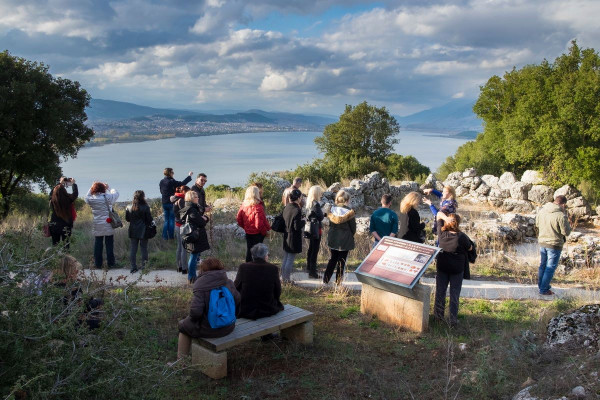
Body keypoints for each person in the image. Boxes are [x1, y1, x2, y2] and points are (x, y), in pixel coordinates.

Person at [176, 258, 240, 359]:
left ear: (202, 270)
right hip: (229, 326)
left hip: (210, 329)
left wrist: (190, 320)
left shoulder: (201, 286)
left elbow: (196, 313)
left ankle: (180, 362)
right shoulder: (228, 282)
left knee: (183, 327)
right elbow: (237, 299)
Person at [433, 213, 472, 327]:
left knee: (440, 292)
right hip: (457, 269)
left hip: (442, 267)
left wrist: (445, 218)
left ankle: (438, 317)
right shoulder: (462, 237)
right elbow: (470, 248)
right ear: (458, 223)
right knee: (454, 294)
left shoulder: (442, 234)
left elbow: (438, 214)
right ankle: (453, 320)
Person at [234, 243, 284, 319]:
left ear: (252, 255)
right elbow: (278, 290)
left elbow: (236, 286)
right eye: (267, 255)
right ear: (265, 256)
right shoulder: (273, 268)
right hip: (267, 308)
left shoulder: (243, 267)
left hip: (246, 309)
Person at [536, 195, 571, 296]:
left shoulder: (542, 211)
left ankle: (542, 286)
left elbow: (537, 224)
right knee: (550, 268)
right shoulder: (561, 215)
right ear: (563, 204)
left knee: (542, 265)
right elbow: (566, 232)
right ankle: (543, 289)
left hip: (542, 241)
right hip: (554, 244)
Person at [323, 190, 356, 284]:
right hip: (345, 239)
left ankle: (325, 280)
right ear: (347, 200)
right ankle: (338, 282)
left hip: (333, 237)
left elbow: (330, 223)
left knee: (332, 259)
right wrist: (350, 235)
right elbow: (353, 228)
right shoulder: (349, 212)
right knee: (342, 261)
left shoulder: (332, 210)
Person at [85, 182, 119, 268]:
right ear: (103, 189)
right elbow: (116, 194)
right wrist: (109, 187)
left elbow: (86, 197)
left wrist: (91, 186)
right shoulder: (107, 197)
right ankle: (111, 263)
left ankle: (98, 264)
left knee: (98, 244)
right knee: (109, 244)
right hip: (108, 223)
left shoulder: (91, 199)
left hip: (97, 224)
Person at [179, 191, 210, 284]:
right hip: (194, 235)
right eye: (196, 197)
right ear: (192, 198)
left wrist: (203, 218)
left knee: (194, 256)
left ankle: (192, 276)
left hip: (191, 234)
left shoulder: (187, 208)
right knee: (193, 256)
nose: (198, 198)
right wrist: (204, 219)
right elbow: (200, 222)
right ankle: (192, 277)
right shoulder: (192, 209)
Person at [237, 186, 271, 262]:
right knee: (259, 253)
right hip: (258, 234)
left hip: (248, 232)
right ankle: (257, 268)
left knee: (249, 251)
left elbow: (239, 220)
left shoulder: (243, 206)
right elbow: (259, 225)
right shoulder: (258, 207)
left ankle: (247, 268)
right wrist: (265, 231)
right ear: (256, 194)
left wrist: (246, 227)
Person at [159, 168, 193, 240]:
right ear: (170, 173)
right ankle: (171, 237)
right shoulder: (171, 181)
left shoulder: (161, 181)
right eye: (172, 172)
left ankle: (164, 237)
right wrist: (189, 176)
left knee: (166, 220)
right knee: (171, 220)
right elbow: (182, 184)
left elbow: (161, 191)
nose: (173, 173)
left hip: (164, 202)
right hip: (171, 202)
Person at [125, 190, 153, 274]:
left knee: (133, 249)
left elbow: (127, 219)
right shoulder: (145, 207)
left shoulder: (129, 207)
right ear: (143, 197)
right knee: (144, 248)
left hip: (133, 229)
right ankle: (144, 267)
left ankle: (133, 267)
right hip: (143, 230)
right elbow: (149, 219)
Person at [281, 189, 305, 283]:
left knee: (286, 258)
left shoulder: (286, 207)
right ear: (298, 198)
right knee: (290, 259)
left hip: (286, 235)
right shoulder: (296, 210)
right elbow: (296, 226)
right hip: (293, 237)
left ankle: (283, 278)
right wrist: (304, 221)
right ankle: (286, 280)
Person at [49, 177, 79, 249]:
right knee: (66, 246)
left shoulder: (52, 200)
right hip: (66, 225)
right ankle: (66, 259)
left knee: (55, 246)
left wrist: (60, 183)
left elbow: (51, 193)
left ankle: (55, 260)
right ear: (64, 192)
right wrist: (73, 184)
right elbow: (75, 194)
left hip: (54, 225)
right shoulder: (68, 199)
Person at [304, 185, 324, 278]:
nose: (321, 193)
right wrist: (324, 214)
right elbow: (320, 217)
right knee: (314, 250)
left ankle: (309, 267)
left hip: (310, 228)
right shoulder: (316, 204)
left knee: (311, 248)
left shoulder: (309, 203)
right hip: (316, 229)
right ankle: (312, 271)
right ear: (317, 193)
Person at [172, 185, 190, 274]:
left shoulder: (175, 198)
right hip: (182, 225)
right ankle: (184, 268)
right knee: (184, 248)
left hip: (177, 224)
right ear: (184, 192)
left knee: (179, 247)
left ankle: (178, 266)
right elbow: (185, 214)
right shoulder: (182, 200)